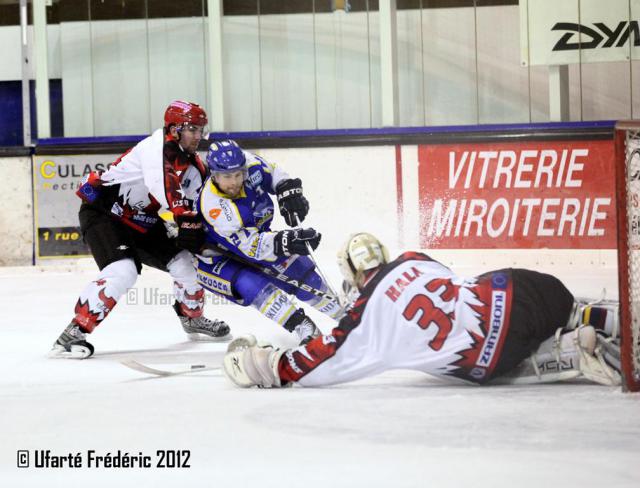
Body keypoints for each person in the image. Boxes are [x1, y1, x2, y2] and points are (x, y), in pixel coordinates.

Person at [222, 232, 622, 388]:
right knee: (539, 304)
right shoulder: (415, 259)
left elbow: (319, 361)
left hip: (493, 353)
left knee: (493, 358)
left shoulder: (364, 319)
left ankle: (570, 351)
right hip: (525, 287)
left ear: (354, 276)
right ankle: (602, 317)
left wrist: (264, 363)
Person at [50, 101, 231, 359]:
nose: (198, 136)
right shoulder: (154, 148)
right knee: (123, 271)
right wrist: (185, 220)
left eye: (201, 129)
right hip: (105, 212)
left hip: (142, 221)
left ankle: (192, 318)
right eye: (192, 129)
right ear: (174, 129)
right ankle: (73, 333)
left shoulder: (194, 168)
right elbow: (166, 190)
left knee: (186, 263)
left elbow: (202, 206)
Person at [194, 140, 343, 345]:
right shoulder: (215, 206)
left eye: (238, 174)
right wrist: (286, 241)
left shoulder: (248, 165)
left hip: (256, 241)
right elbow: (251, 247)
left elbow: (273, 173)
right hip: (217, 258)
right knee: (252, 284)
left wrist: (287, 191)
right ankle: (303, 326)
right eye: (227, 177)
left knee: (300, 271)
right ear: (214, 175)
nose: (235, 182)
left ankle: (346, 316)